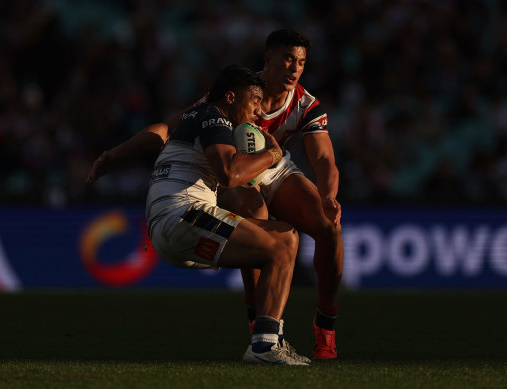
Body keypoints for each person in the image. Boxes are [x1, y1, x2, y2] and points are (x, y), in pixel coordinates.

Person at [87, 29, 343, 360]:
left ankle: (325, 326)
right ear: (268, 60)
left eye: (302, 63)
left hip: (261, 171)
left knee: (329, 227)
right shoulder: (227, 102)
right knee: (261, 220)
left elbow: (324, 159)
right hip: (227, 176)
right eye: (288, 59)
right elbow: (176, 134)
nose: (295, 69)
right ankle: (261, 331)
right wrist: (115, 154)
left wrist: (328, 195)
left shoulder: (304, 104)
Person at [137, 65, 309, 365]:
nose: (259, 110)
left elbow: (159, 138)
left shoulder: (196, 119)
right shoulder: (214, 117)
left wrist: (110, 157)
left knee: (273, 244)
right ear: (231, 97)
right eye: (254, 100)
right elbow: (230, 174)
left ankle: (267, 339)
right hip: (183, 215)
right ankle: (265, 344)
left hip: (168, 227)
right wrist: (272, 155)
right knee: (284, 240)